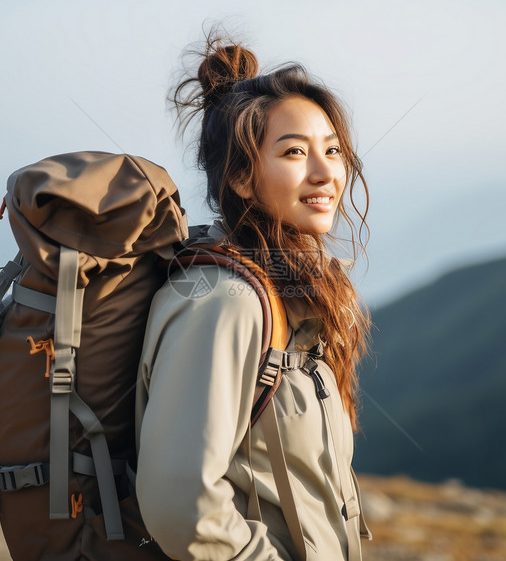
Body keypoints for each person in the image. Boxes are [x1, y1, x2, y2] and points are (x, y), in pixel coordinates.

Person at [135, 33, 372, 560]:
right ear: (241, 177)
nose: (326, 172)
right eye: (294, 152)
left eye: (332, 149)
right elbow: (180, 501)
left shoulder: (289, 292)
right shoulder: (227, 301)